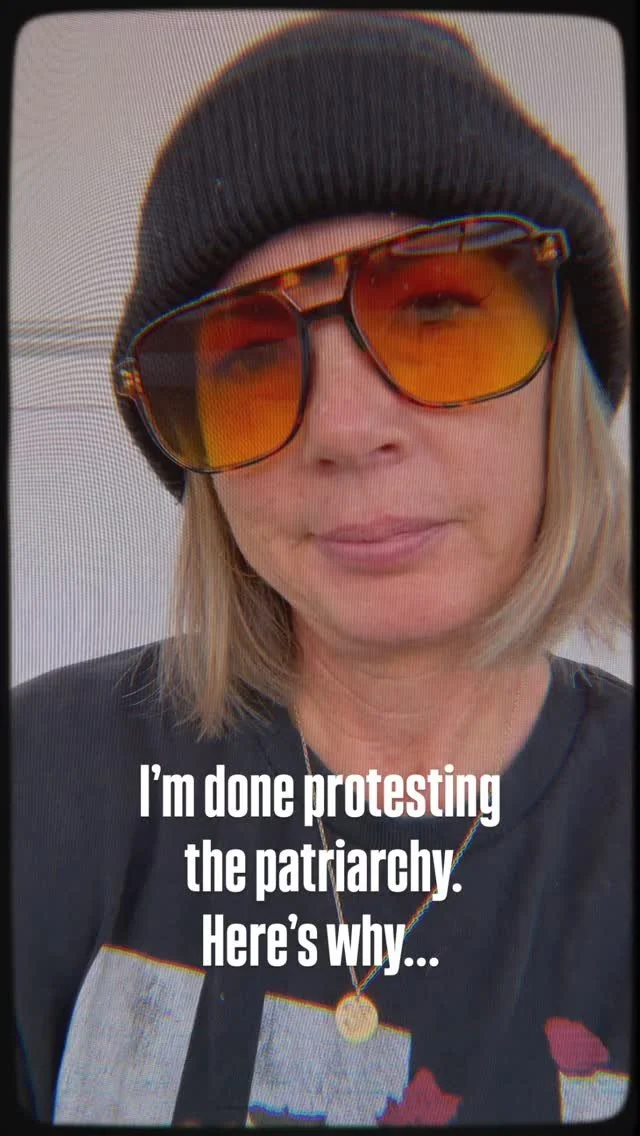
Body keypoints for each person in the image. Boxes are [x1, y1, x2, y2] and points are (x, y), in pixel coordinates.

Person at [12, 11, 631, 1127]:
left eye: (437, 309)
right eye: (248, 356)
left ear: (567, 381)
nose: (344, 429)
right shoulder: (38, 787)